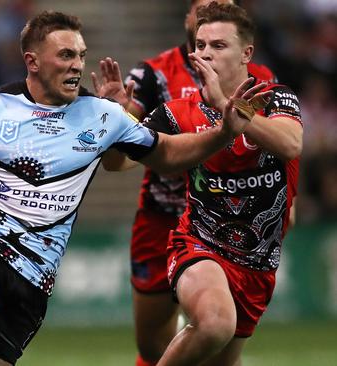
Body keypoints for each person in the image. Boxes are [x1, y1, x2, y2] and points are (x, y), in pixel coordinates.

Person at [0, 10, 266, 366]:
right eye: (65, 55)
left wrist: (223, 131)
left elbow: (168, 154)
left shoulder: (104, 116)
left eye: (81, 56)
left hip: (35, 274)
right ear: (32, 61)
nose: (76, 65)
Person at [92, 1, 277, 365]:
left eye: (222, 7)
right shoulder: (153, 75)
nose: (210, 13)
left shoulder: (259, 79)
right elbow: (120, 159)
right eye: (203, 8)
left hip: (228, 223)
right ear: (188, 20)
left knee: (217, 336)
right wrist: (111, 118)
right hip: (163, 217)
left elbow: (282, 146)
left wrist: (290, 203)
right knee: (151, 345)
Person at [137, 2, 301, 365]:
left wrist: (233, 111)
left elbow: (291, 144)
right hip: (200, 244)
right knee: (214, 323)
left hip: (258, 264)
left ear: (247, 53)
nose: (205, 53)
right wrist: (115, 115)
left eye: (218, 45)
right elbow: (127, 160)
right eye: (200, 45)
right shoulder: (177, 111)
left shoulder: (275, 97)